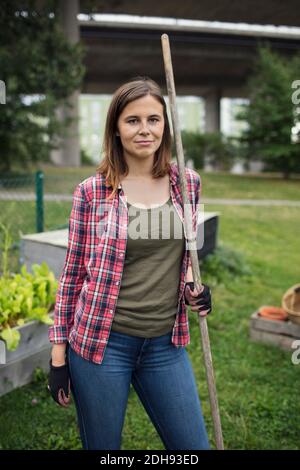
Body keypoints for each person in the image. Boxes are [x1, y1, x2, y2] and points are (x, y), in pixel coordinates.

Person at [48, 76, 212, 451]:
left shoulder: (187, 183)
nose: (144, 130)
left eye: (153, 119)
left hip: (165, 345)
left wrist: (193, 288)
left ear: (165, 126)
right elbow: (72, 275)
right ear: (116, 129)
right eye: (132, 120)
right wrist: (59, 358)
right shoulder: (92, 191)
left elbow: (188, 252)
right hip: (102, 345)